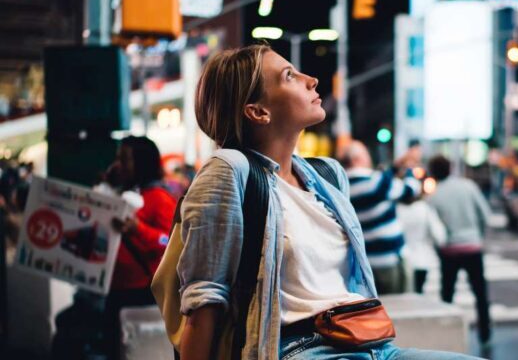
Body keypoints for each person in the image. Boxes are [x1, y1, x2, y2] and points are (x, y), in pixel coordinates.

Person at [177, 42, 479, 360]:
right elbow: (204, 298)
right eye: (289, 76)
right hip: (300, 349)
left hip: (367, 343)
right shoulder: (229, 170)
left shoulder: (328, 175)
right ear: (258, 111)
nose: (312, 80)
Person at [105, 136, 176, 359]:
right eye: (118, 158)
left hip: (142, 296)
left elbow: (168, 241)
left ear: (141, 162)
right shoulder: (123, 194)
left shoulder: (160, 198)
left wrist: (139, 229)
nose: (118, 165)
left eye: (124, 159)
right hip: (117, 291)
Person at [426, 155, 493, 346]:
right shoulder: (468, 187)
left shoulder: (434, 197)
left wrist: (440, 247)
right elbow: (485, 215)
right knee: (480, 293)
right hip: (472, 247)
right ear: (451, 168)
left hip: (449, 251)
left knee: (447, 294)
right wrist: (478, 236)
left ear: (433, 173)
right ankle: (485, 334)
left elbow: (433, 230)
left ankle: (448, 334)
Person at [340, 140, 421, 294]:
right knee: (399, 304)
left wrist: (396, 166)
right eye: (366, 154)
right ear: (357, 159)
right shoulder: (376, 182)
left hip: (365, 263)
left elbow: (385, 179)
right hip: (389, 260)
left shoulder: (344, 187)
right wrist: (410, 169)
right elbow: (411, 190)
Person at [397, 190, 447, 294]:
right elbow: (439, 235)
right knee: (418, 290)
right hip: (422, 258)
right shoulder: (424, 209)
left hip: (402, 259)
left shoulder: (396, 209)